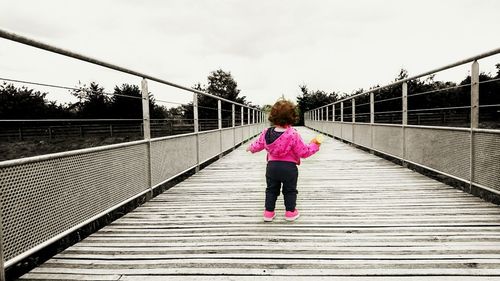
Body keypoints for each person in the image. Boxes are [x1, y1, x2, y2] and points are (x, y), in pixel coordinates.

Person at [246, 99, 321, 222]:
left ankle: (268, 213)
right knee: (290, 190)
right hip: (289, 168)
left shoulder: (267, 132)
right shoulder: (293, 134)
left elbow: (259, 144)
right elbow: (303, 152)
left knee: (271, 189)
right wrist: (315, 145)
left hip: (272, 167)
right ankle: (290, 212)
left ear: (272, 116)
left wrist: (251, 148)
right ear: (292, 117)